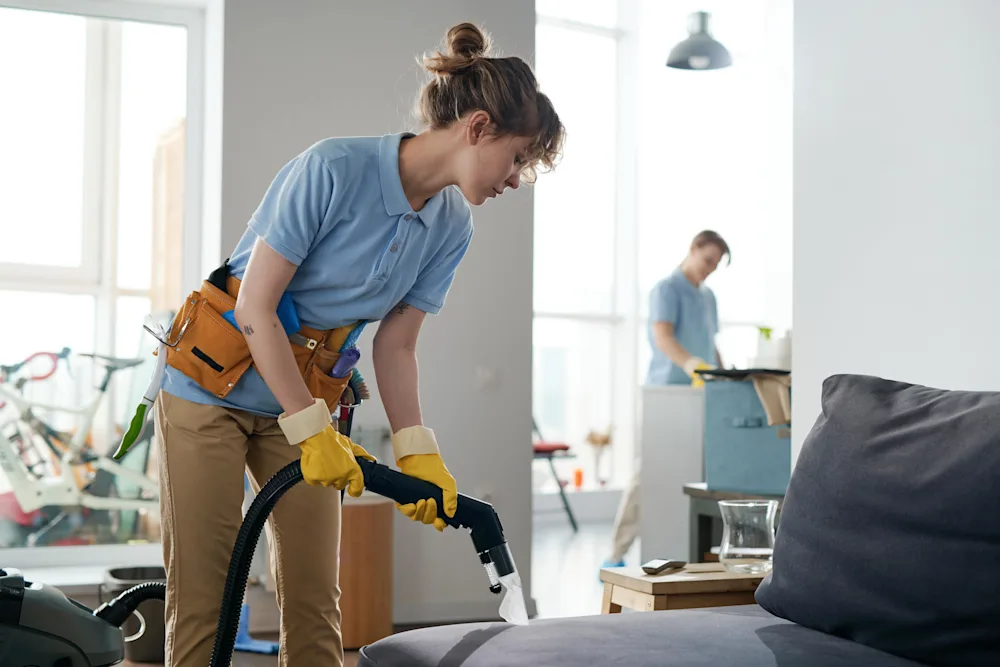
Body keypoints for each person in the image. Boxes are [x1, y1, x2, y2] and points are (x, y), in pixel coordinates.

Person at [152, 22, 564, 667]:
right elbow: (256, 307)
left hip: (307, 402)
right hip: (211, 390)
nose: (517, 180)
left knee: (317, 601)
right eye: (518, 159)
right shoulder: (332, 169)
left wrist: (417, 450)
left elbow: (396, 347)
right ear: (478, 127)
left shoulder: (450, 225)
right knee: (205, 602)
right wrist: (310, 429)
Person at [602, 230, 730, 568]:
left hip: (701, 393)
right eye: (707, 260)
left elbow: (711, 341)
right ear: (692, 249)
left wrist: (722, 373)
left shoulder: (709, 297)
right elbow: (663, 336)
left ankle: (690, 547)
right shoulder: (667, 289)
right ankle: (617, 552)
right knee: (649, 474)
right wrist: (691, 365)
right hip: (667, 392)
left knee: (697, 470)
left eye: (716, 265)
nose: (710, 269)